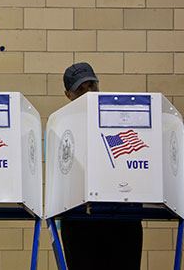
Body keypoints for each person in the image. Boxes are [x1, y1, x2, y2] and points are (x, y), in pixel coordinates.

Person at [60, 62, 143, 270]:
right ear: (67, 94)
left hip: (122, 215)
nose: (88, 92)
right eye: (81, 89)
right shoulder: (61, 127)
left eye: (92, 86)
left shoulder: (123, 121)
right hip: (80, 218)